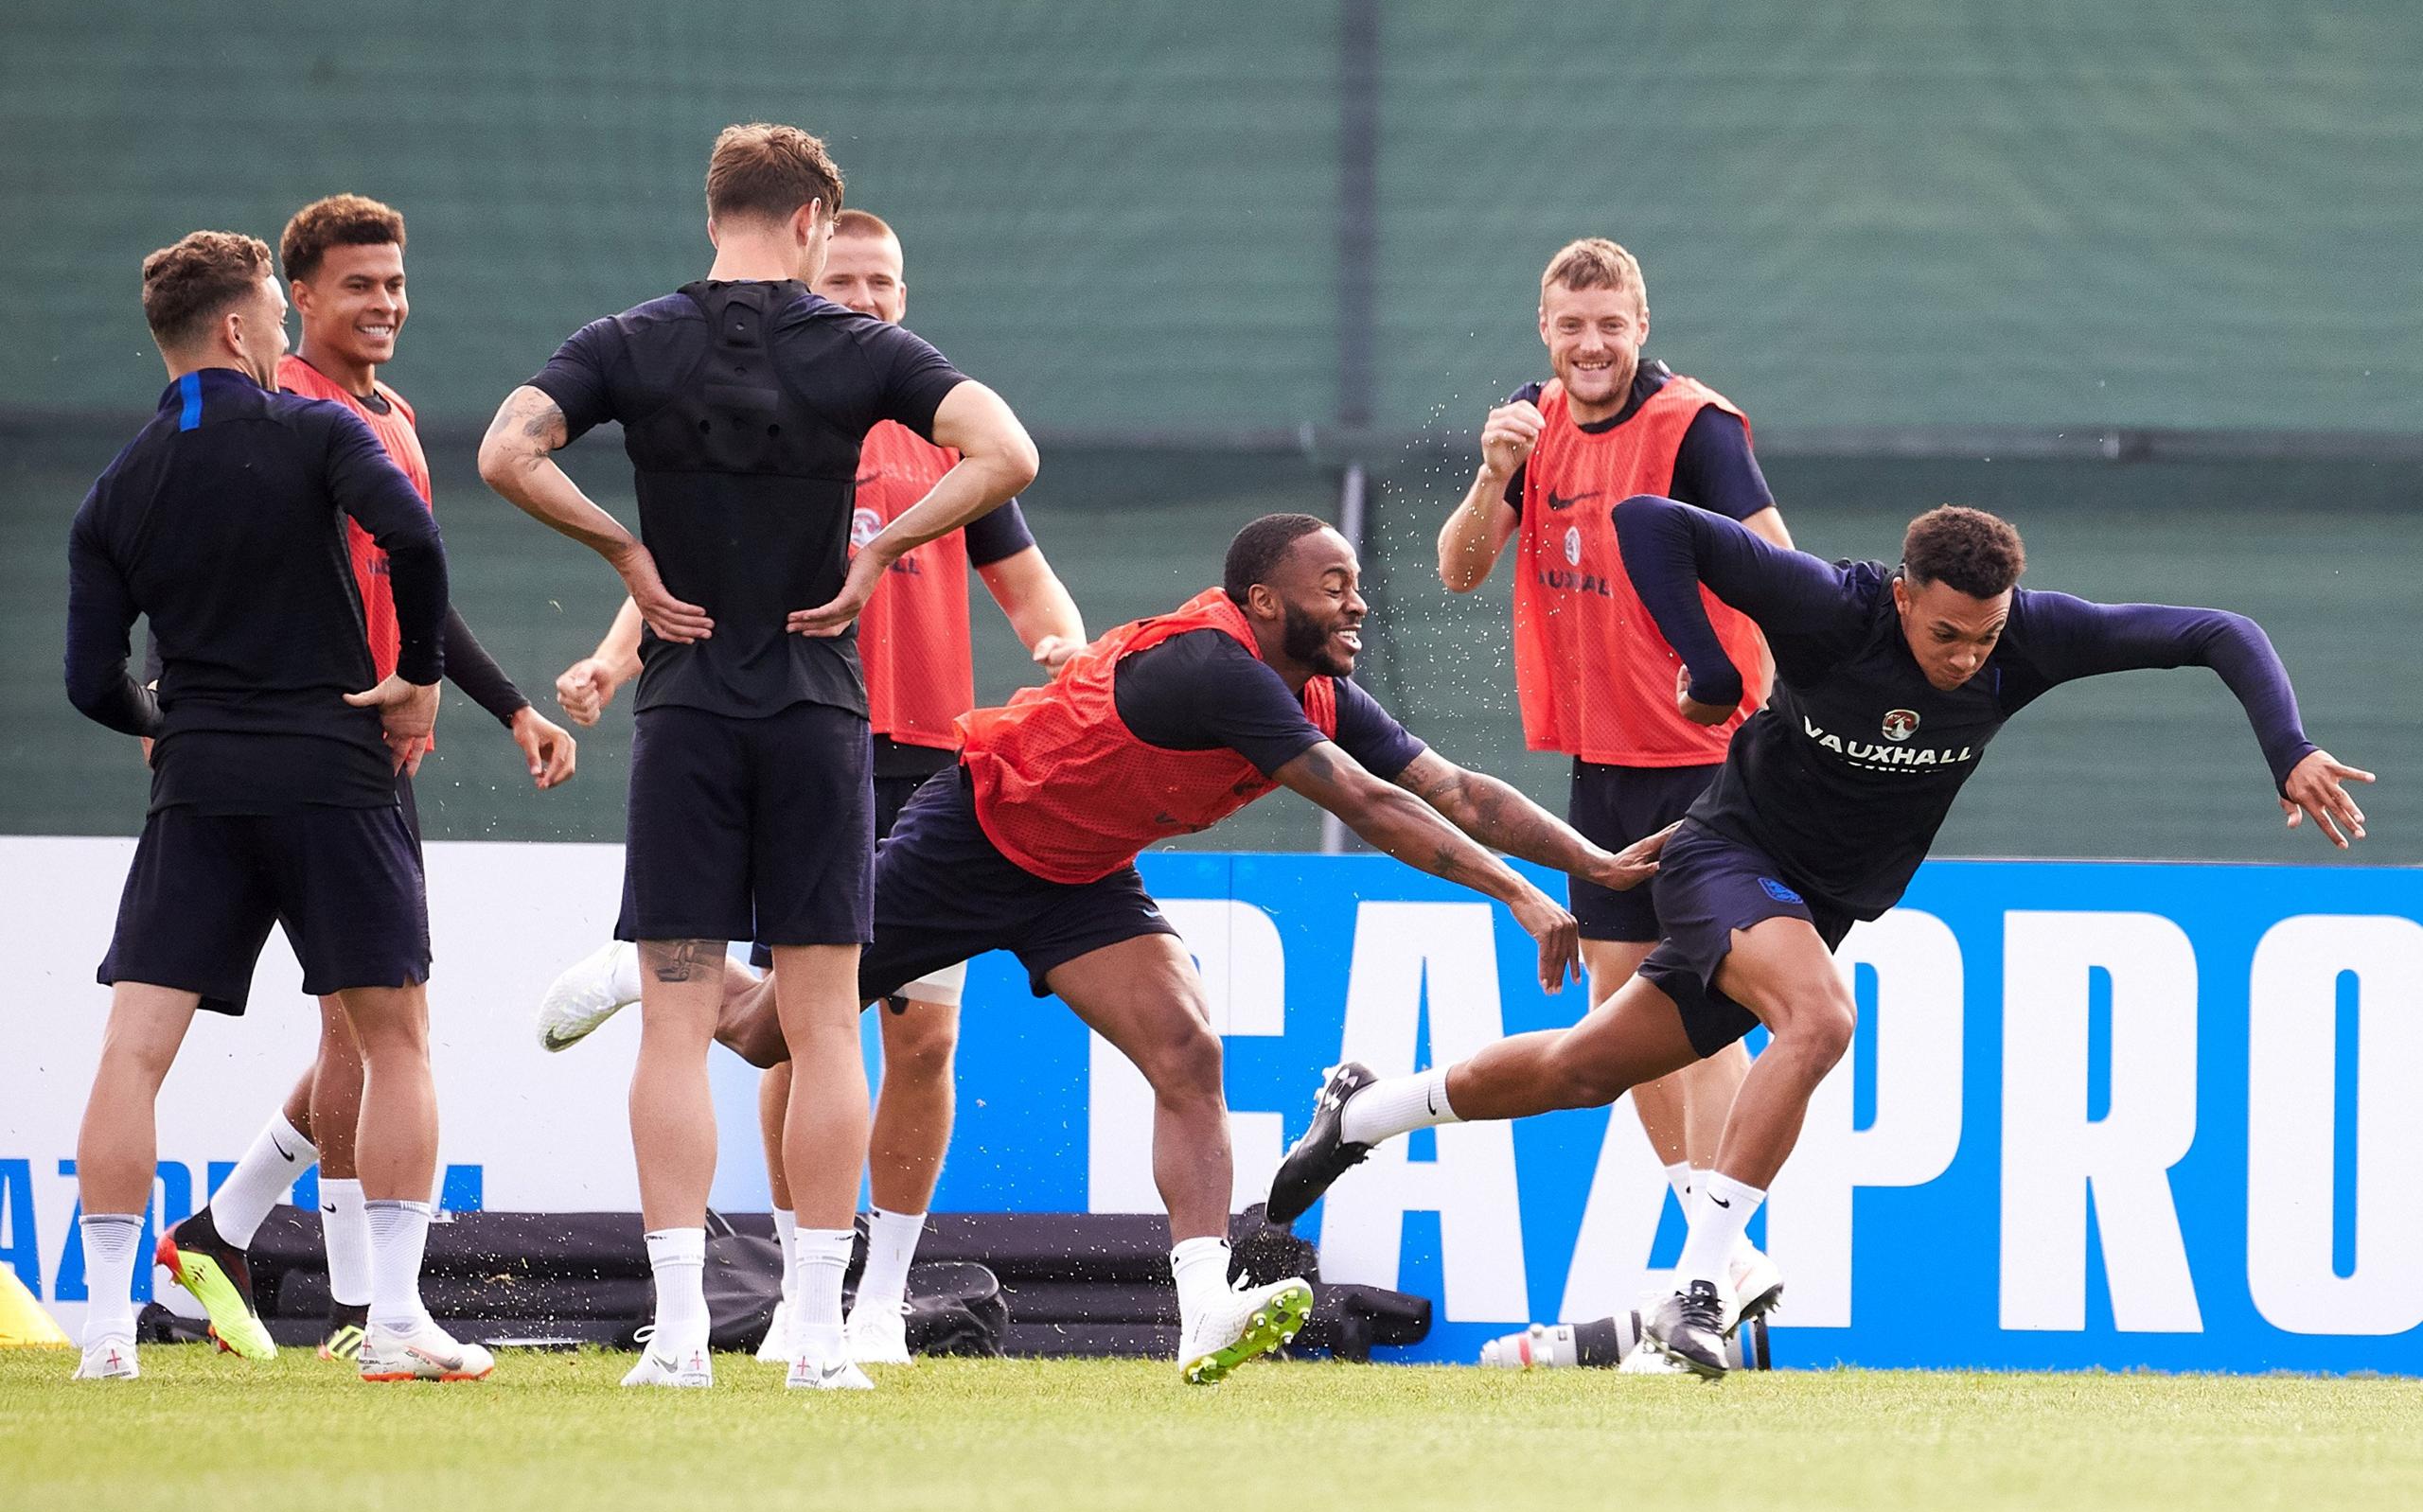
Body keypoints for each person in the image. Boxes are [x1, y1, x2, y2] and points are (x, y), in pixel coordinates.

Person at [549, 513, 1673, 1385]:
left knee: (1188, 1051)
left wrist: (1600, 865)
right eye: (1333, 585)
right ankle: (639, 971)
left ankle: (1201, 1314)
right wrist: (1524, 901)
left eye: (1354, 584)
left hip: (1080, 876)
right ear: (1261, 599)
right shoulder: (1217, 664)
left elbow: (1454, 787)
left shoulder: (1320, 685)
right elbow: (1378, 810)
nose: (1357, 598)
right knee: (759, 1035)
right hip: (977, 833)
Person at [1271, 497, 2374, 1377]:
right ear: (1900, 595)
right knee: (1819, 1016)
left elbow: (2220, 631)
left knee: (1580, 1067)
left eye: (1983, 637)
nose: (1962, 657)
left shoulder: (2027, 640)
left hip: (1810, 903)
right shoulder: (1830, 606)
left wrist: (2287, 747)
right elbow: (1646, 523)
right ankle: (1700, 1290)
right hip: (1720, 859)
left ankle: (1360, 1110)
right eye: (1943, 632)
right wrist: (1704, 662)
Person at [477, 123, 1039, 1392]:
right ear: (810, 224)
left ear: (714, 212)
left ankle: (678, 1336)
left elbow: (507, 450)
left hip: (684, 715)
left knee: (675, 1026)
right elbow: (1009, 451)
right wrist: (882, 555)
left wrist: (623, 556)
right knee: (828, 1027)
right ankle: (818, 1336)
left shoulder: (630, 340)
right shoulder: (860, 348)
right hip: (814, 716)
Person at [150, 195, 576, 1369]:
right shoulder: (286, 412)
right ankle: (363, 1305)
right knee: (380, 1026)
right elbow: (197, 551)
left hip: (371, 750)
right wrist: (157, 691)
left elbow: (415, 586)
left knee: (360, 1025)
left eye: (394, 283)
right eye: (355, 287)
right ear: (298, 299)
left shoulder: (385, 415)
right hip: (310, 753)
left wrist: (509, 704)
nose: (383, 303)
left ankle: (232, 1236)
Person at [64, 230, 489, 1382]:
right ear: (245, 328)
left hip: (198, 783)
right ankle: (395, 1320)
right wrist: (416, 677)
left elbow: (88, 680)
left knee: (131, 1055)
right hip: (332, 772)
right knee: (396, 1042)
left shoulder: (118, 486)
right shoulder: (318, 430)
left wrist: (164, 724)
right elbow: (412, 538)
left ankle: (107, 1332)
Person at [1433, 237, 1791, 1341]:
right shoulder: (1526, 422)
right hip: (1601, 763)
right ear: (1544, 329)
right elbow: (1458, 567)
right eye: (1570, 325)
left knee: (1703, 1012)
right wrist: (1492, 472)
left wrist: (1742, 695)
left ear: (1642, 324)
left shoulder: (1696, 429)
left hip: (1706, 760)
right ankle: (1716, 1259)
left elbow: (1784, 571)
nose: (1591, 345)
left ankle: (1713, 1263)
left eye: (1611, 324)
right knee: (1623, 1009)